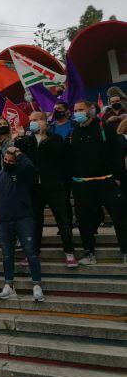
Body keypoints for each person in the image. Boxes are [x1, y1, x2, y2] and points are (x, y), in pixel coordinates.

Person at [69, 100, 127, 266]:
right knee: (84, 220)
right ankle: (89, 253)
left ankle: (125, 251)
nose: (77, 112)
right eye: (75, 109)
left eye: (80, 109)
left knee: (120, 218)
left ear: (91, 110)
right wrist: (75, 179)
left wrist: (116, 177)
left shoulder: (104, 127)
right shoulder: (75, 132)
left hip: (107, 181)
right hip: (84, 184)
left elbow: (117, 153)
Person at [15, 111, 77, 267]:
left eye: (36, 120)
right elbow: (18, 152)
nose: (32, 123)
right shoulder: (27, 141)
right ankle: (34, 253)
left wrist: (44, 136)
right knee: (35, 222)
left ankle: (69, 252)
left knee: (62, 220)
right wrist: (21, 136)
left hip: (55, 186)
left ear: (44, 121)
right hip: (35, 189)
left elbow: (59, 155)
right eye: (30, 120)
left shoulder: (55, 138)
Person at [0, 147, 45, 301]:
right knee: (6, 255)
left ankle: (37, 285)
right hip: (3, 221)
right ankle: (8, 285)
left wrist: (19, 153)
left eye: (11, 161)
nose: (7, 162)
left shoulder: (23, 173)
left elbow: (30, 167)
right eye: (5, 160)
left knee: (31, 253)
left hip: (23, 218)